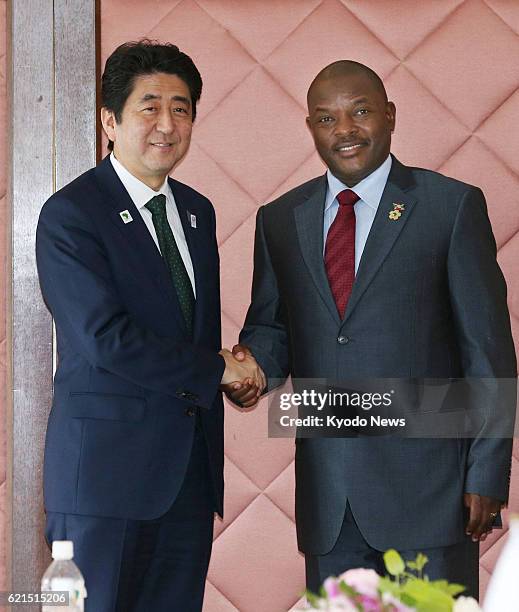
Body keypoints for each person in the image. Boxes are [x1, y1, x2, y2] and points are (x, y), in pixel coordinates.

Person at [223, 60, 516, 598]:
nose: (346, 130)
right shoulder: (280, 219)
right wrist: (253, 371)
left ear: (389, 115)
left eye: (360, 111)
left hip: (432, 495)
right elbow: (272, 327)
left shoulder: (450, 207)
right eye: (327, 118)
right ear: (311, 128)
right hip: (330, 502)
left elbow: (488, 350)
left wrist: (487, 472)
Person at [36, 40, 263, 612]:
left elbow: (194, 332)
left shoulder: (196, 210)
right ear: (109, 120)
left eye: (182, 108)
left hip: (186, 476)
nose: (168, 123)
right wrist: (216, 370)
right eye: (149, 107)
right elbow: (103, 338)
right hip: (104, 482)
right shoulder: (71, 213)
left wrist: (231, 374)